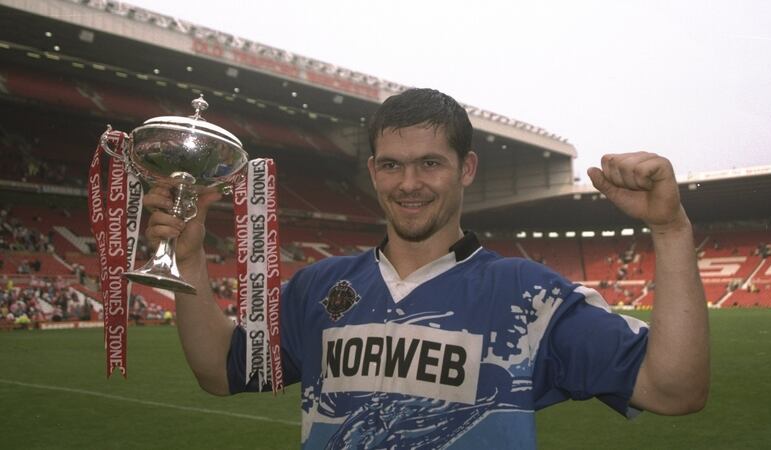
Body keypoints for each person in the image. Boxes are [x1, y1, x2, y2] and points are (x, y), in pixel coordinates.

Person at [143, 88, 709, 448]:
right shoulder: (317, 286)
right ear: (371, 170)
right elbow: (220, 373)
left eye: (429, 164)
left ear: (466, 169)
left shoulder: (531, 296)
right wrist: (189, 259)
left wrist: (671, 230)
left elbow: (674, 389)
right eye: (391, 165)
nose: (408, 184)